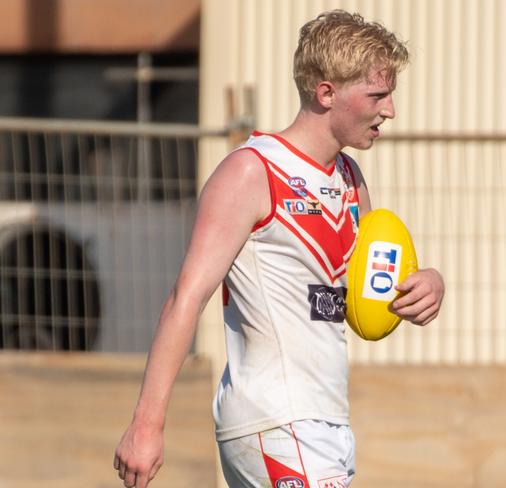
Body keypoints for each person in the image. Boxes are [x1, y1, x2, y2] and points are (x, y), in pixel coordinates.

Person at [114, 9, 444, 488]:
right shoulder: (251, 173)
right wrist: (146, 424)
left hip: (327, 421)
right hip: (274, 420)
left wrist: (426, 284)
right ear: (326, 92)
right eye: (378, 95)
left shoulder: (351, 181)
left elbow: (370, 296)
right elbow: (186, 297)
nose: (390, 110)